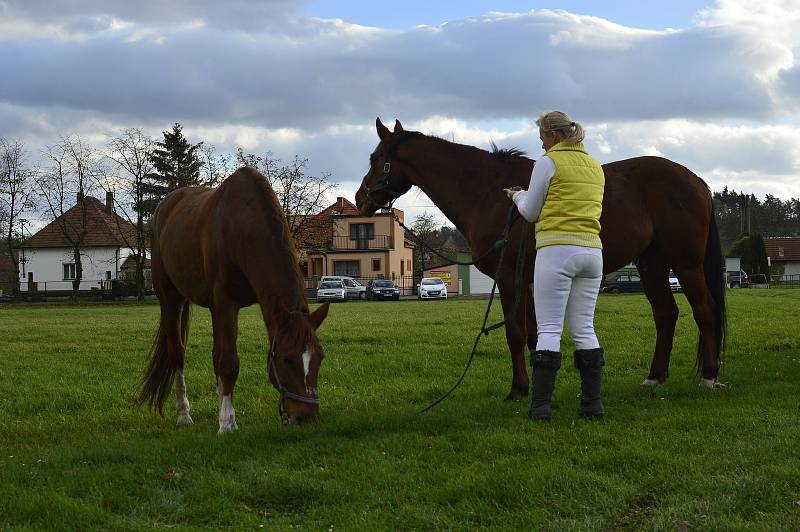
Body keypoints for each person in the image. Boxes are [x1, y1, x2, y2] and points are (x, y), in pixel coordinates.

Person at [504, 111, 606, 421]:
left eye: (542, 137)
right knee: (585, 328)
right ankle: (592, 406)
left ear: (554, 135)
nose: (540, 142)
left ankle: (541, 407)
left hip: (556, 250)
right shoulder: (595, 166)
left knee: (548, 329)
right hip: (592, 252)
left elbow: (532, 212)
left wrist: (517, 196)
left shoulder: (547, 163)